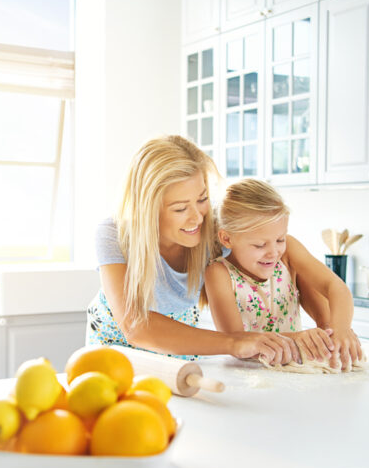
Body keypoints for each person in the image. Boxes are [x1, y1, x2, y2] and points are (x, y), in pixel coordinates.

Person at [86, 135, 298, 365]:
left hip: (179, 358)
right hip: (113, 359)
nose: (197, 218)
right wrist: (234, 342)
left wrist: (330, 329)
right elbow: (135, 326)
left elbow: (283, 251)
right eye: (180, 209)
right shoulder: (113, 233)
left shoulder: (216, 232)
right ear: (147, 210)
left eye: (202, 199)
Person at [203, 178, 362, 370]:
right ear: (227, 238)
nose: (273, 252)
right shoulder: (218, 273)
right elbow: (234, 339)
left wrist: (340, 329)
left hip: (294, 367)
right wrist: (299, 339)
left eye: (279, 239)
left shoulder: (288, 252)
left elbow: (335, 287)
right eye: (260, 245)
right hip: (248, 372)